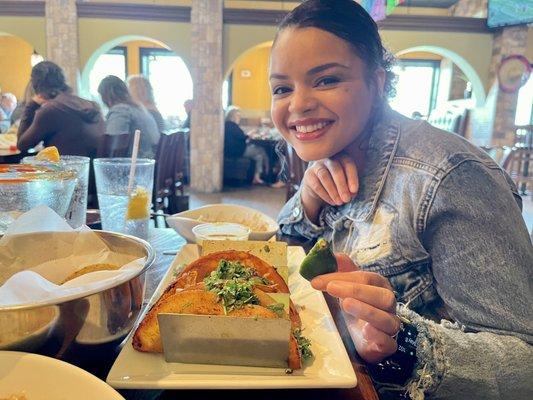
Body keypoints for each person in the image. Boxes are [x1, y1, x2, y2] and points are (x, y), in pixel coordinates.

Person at [272, 1, 533, 399]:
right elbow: (286, 257)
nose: (298, 103)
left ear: (377, 84)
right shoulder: (334, 150)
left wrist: (405, 346)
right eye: (282, 88)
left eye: (325, 80)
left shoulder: (451, 176)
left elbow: (524, 365)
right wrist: (307, 199)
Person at [17, 61, 104, 157]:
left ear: (35, 85)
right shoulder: (93, 105)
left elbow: (22, 145)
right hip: (92, 169)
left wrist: (32, 104)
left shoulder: (51, 110)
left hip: (65, 170)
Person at [98, 75, 160, 159]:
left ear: (104, 96)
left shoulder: (120, 111)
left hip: (134, 167)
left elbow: (113, 146)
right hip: (148, 164)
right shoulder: (141, 110)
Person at [224, 106, 269, 185]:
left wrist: (248, 135)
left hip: (231, 150)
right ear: (233, 116)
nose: (240, 118)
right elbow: (243, 137)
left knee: (259, 157)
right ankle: (268, 174)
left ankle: (256, 177)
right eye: (238, 116)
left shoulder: (227, 125)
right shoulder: (232, 125)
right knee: (261, 150)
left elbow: (239, 137)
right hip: (238, 151)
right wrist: (251, 134)